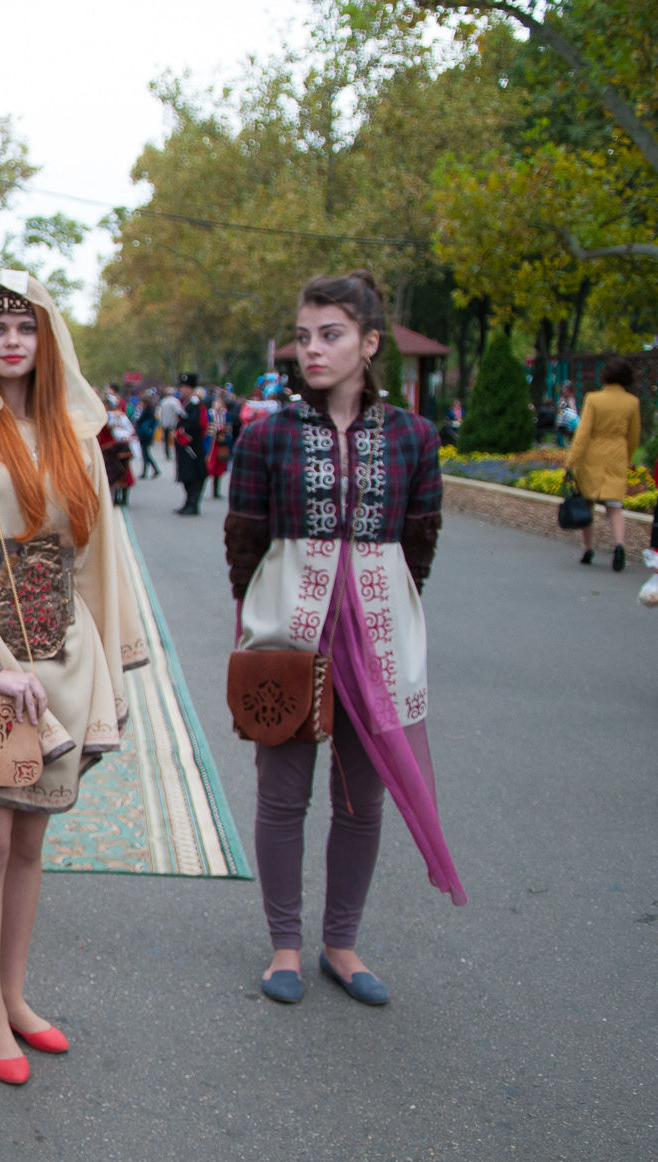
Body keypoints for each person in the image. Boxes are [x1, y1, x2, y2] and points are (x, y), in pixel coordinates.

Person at [0, 272, 149, 1086]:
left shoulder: (77, 436)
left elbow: (99, 558)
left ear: (48, 339)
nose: (12, 340)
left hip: (65, 661)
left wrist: (103, 661)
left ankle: (15, 996)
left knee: (33, 843)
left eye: (26, 326)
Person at [224, 269, 465, 1010]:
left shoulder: (414, 437)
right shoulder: (266, 437)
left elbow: (419, 542)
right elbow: (245, 543)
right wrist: (260, 624)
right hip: (287, 633)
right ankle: (284, 945)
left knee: (363, 800)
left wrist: (375, 606)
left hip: (379, 638)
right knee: (282, 796)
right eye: (304, 336)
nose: (313, 350)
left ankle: (341, 943)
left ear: (369, 343)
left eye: (330, 335)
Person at [568, 358, 643, 571]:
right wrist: (627, 458)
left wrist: (571, 459)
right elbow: (634, 436)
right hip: (616, 456)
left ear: (605, 376)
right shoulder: (632, 402)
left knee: (588, 504)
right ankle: (619, 545)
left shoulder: (593, 399)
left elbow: (583, 432)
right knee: (615, 507)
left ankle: (588, 548)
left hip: (592, 456)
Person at [173, 375, 209, 515]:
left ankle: (193, 503)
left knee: (193, 474)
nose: (182, 390)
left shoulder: (195, 403)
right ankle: (188, 502)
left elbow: (195, 424)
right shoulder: (186, 403)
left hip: (192, 445)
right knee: (186, 475)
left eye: (184, 387)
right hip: (185, 446)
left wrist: (182, 431)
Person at [206, 389, 234, 499]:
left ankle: (216, 491)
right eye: (216, 402)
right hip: (211, 444)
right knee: (208, 466)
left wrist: (225, 437)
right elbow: (206, 430)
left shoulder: (225, 415)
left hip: (221, 444)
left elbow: (229, 429)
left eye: (220, 403)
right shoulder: (209, 414)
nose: (218, 405)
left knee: (219, 467)